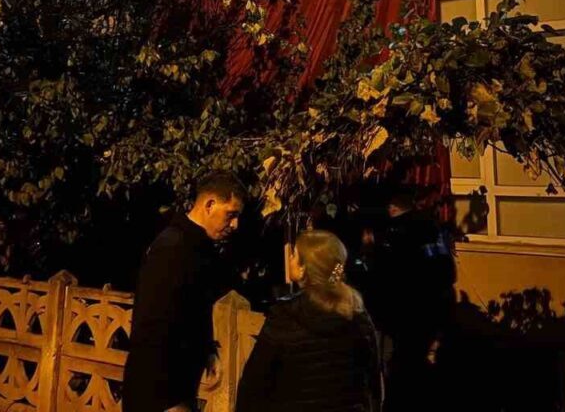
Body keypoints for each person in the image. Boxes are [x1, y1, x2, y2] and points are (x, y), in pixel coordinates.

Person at [123, 171, 246, 412]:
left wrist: (208, 350)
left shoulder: (199, 247)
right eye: (230, 214)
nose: (235, 225)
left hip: (177, 387)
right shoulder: (172, 247)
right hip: (157, 392)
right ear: (210, 205)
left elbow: (194, 310)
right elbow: (152, 328)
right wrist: (169, 402)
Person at [235, 230, 381, 412]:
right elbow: (373, 382)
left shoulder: (285, 315)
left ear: (303, 268)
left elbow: (255, 382)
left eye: (294, 254)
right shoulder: (357, 313)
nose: (290, 258)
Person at [360, 188, 455, 412]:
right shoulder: (432, 228)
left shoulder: (395, 232)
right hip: (430, 308)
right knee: (418, 366)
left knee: (395, 369)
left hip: (400, 313)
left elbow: (382, 275)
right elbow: (447, 271)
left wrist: (370, 251)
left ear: (393, 208)